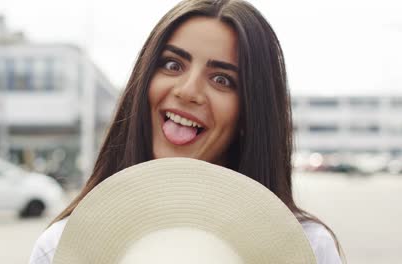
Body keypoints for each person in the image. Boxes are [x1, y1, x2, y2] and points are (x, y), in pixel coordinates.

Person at [29, 0, 343, 263]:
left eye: (222, 79)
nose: (188, 91)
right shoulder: (62, 247)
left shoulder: (308, 249)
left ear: (251, 112)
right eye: (172, 65)